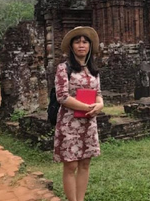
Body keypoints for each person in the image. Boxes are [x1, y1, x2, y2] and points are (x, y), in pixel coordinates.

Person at [54, 26, 104, 201]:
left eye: (85, 42)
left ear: (90, 46)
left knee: (85, 163)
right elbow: (62, 96)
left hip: (88, 122)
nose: (81, 45)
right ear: (71, 46)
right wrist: (87, 107)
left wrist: (100, 105)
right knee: (71, 165)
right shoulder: (64, 68)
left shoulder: (93, 70)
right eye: (77, 42)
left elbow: (98, 93)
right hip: (70, 122)